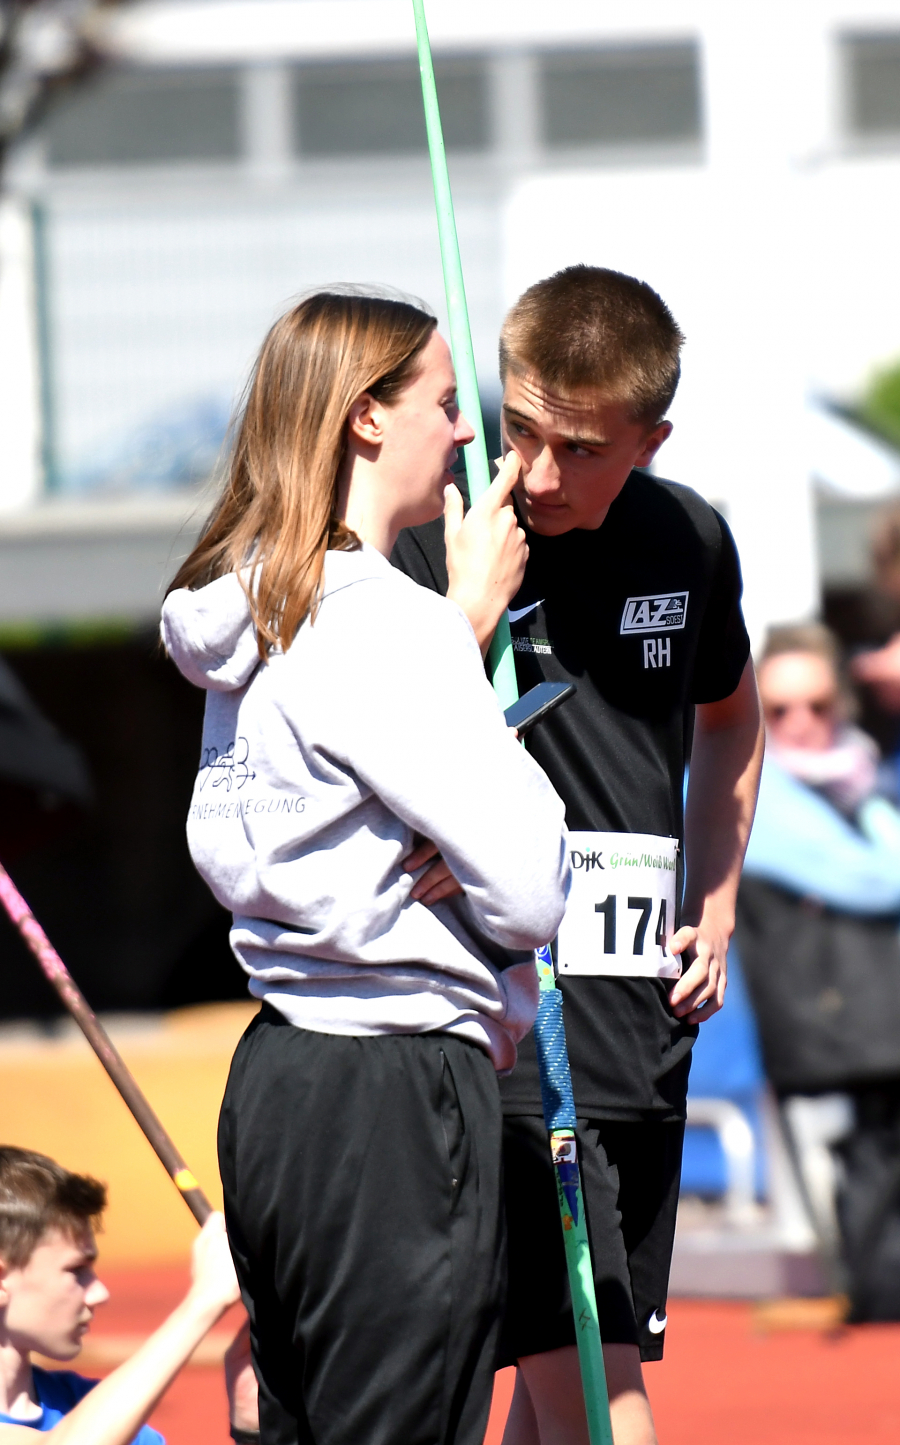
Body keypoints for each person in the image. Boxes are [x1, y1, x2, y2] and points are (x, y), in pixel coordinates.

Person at [162, 289, 570, 1445]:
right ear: (365, 420)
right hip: (393, 1086)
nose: (464, 432)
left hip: (279, 1078)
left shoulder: (262, 610)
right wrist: (458, 634)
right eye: (446, 403)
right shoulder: (386, 624)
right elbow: (533, 884)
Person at [391, 265, 764, 1445]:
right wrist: (462, 608)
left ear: (650, 439)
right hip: (502, 1019)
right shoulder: (435, 538)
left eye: (582, 449)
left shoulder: (691, 538)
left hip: (643, 1024)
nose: (540, 475)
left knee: (555, 1392)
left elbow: (731, 714)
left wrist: (717, 894)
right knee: (599, 1398)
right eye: (522, 431)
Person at [738, 624, 900, 1319]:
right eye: (778, 710)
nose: (801, 724)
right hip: (830, 1035)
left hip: (872, 1027)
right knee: (871, 1249)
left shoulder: (866, 776)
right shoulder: (757, 794)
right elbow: (878, 879)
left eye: (817, 704)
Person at [0, 1145, 240, 1443]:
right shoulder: (95, 1423)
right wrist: (202, 1303)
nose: (100, 1293)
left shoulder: (90, 1406)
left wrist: (250, 1428)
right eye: (75, 1270)